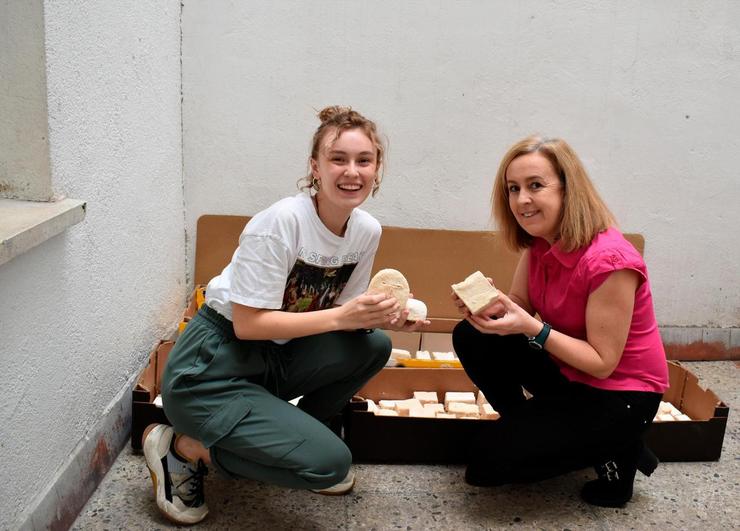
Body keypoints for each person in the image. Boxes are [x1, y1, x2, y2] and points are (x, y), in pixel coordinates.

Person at [142, 106, 428, 525]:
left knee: (373, 345)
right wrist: (344, 317)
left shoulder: (366, 230)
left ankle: (288, 441)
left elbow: (341, 313)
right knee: (329, 464)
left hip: (273, 358)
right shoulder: (280, 223)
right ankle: (184, 448)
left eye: (364, 160)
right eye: (338, 159)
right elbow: (249, 324)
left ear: (377, 169)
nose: (352, 172)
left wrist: (384, 317)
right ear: (315, 167)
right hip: (213, 367)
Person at [452, 135, 669, 508]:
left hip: (621, 394)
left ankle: (620, 446)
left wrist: (532, 328)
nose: (522, 200)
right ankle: (550, 430)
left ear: (569, 190)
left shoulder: (610, 260)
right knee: (472, 335)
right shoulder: (541, 242)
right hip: (569, 372)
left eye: (536, 185)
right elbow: (519, 304)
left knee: (486, 465)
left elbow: (603, 364)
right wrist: (488, 306)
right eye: (513, 188)